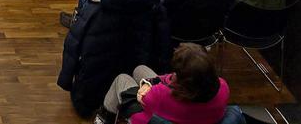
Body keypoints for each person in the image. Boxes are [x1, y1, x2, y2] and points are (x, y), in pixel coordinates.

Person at [95, 43, 230, 124]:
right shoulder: (223, 86)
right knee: (140, 69)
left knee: (122, 79)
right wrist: (148, 83)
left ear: (182, 79)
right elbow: (168, 78)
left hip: (148, 118)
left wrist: (147, 87)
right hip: (195, 118)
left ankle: (105, 116)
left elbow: (149, 97)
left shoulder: (160, 96)